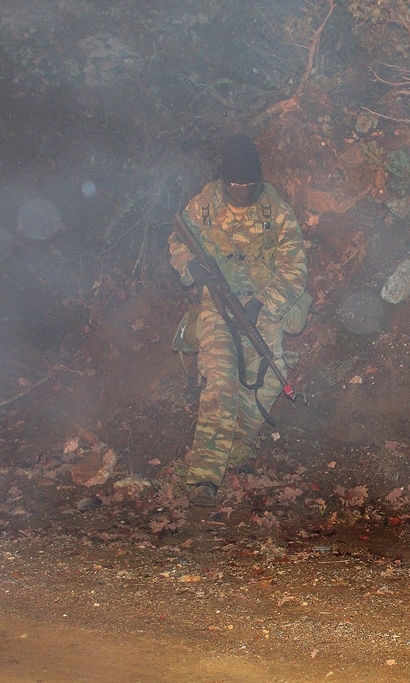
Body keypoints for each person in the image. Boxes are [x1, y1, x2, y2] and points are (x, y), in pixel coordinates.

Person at [168, 134, 308, 507]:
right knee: (221, 381)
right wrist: (191, 265)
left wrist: (263, 303)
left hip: (262, 304)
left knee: (270, 377)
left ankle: (237, 446)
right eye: (235, 184)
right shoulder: (203, 205)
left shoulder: (276, 211)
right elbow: (177, 241)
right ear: (224, 179)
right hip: (218, 304)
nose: (242, 191)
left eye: (249, 184)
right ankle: (204, 478)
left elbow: (295, 269)